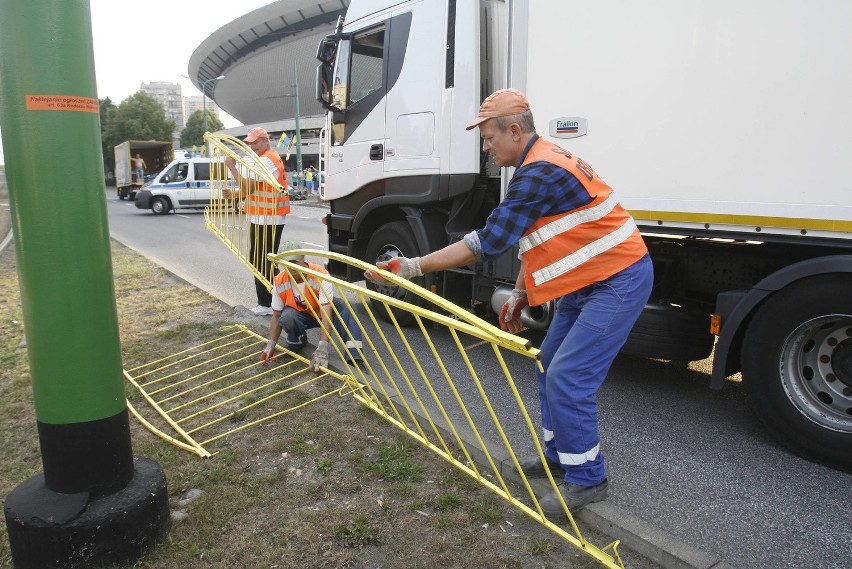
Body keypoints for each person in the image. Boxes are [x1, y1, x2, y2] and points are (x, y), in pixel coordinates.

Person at [365, 88, 653, 515]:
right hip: (586, 281)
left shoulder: (538, 172)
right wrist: (520, 291)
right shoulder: (539, 163)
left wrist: (411, 268)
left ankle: (588, 479)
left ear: (515, 130)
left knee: (568, 378)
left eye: (488, 138)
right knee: (548, 365)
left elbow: (488, 241)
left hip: (616, 280)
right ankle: (560, 460)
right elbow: (533, 235)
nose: (485, 147)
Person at [261, 241, 364, 370]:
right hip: (301, 315)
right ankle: (297, 343)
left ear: (303, 258)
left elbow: (326, 312)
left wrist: (322, 347)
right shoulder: (280, 281)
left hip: (322, 312)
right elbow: (276, 316)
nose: (292, 267)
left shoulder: (320, 274)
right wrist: (271, 345)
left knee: (344, 307)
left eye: (295, 262)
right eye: (287, 264)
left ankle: (355, 357)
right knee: (287, 316)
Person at [222, 127, 290, 316]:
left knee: (261, 260)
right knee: (262, 260)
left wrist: (232, 167)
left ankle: (268, 303)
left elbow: (248, 186)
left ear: (265, 141)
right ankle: (276, 300)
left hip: (269, 217)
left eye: (255, 142)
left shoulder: (268, 159)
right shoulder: (265, 159)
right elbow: (252, 188)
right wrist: (234, 193)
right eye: (250, 143)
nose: (252, 146)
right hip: (264, 216)